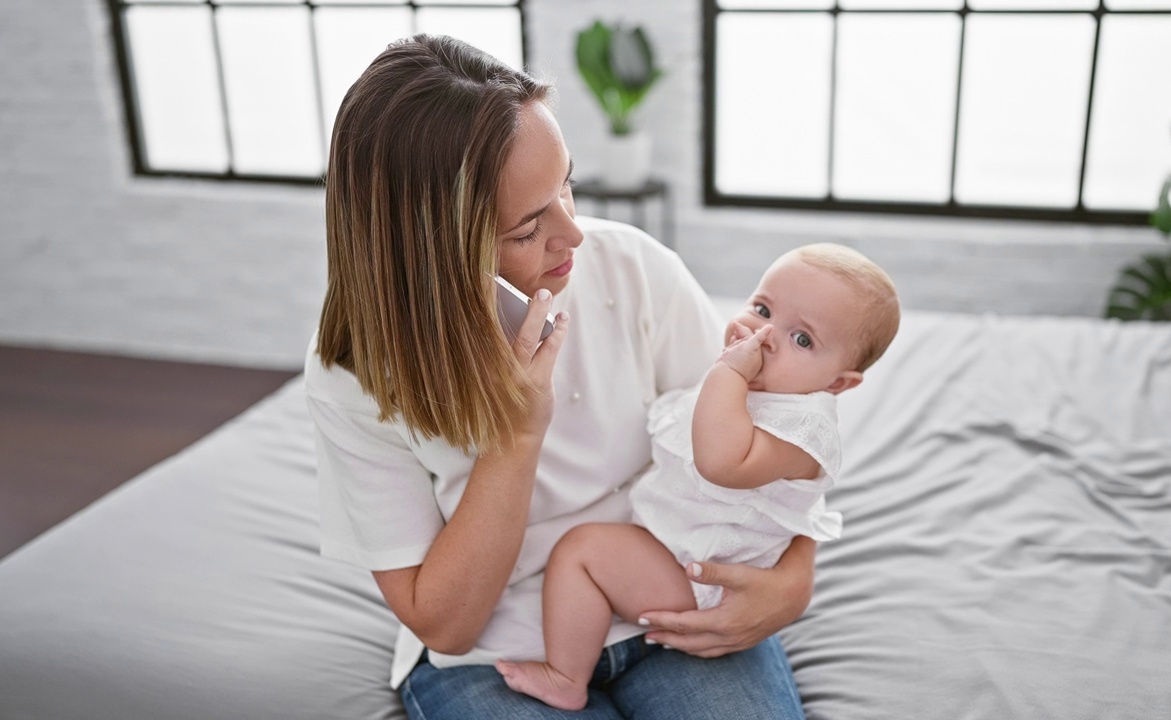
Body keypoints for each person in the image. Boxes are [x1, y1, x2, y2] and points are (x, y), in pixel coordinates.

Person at [304, 34, 821, 719]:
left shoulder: (632, 268)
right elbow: (446, 623)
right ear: (432, 254)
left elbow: (769, 440)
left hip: (667, 603)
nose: (574, 234)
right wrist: (517, 436)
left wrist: (794, 580)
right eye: (526, 229)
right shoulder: (356, 373)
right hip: (492, 653)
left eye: (567, 186)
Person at [495, 244, 901, 710]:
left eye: (802, 339)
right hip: (678, 550)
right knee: (586, 551)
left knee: (581, 553)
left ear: (838, 384)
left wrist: (727, 373)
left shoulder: (804, 430)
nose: (764, 335)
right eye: (762, 308)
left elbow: (722, 463)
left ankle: (566, 676)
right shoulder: (762, 386)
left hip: (705, 581)